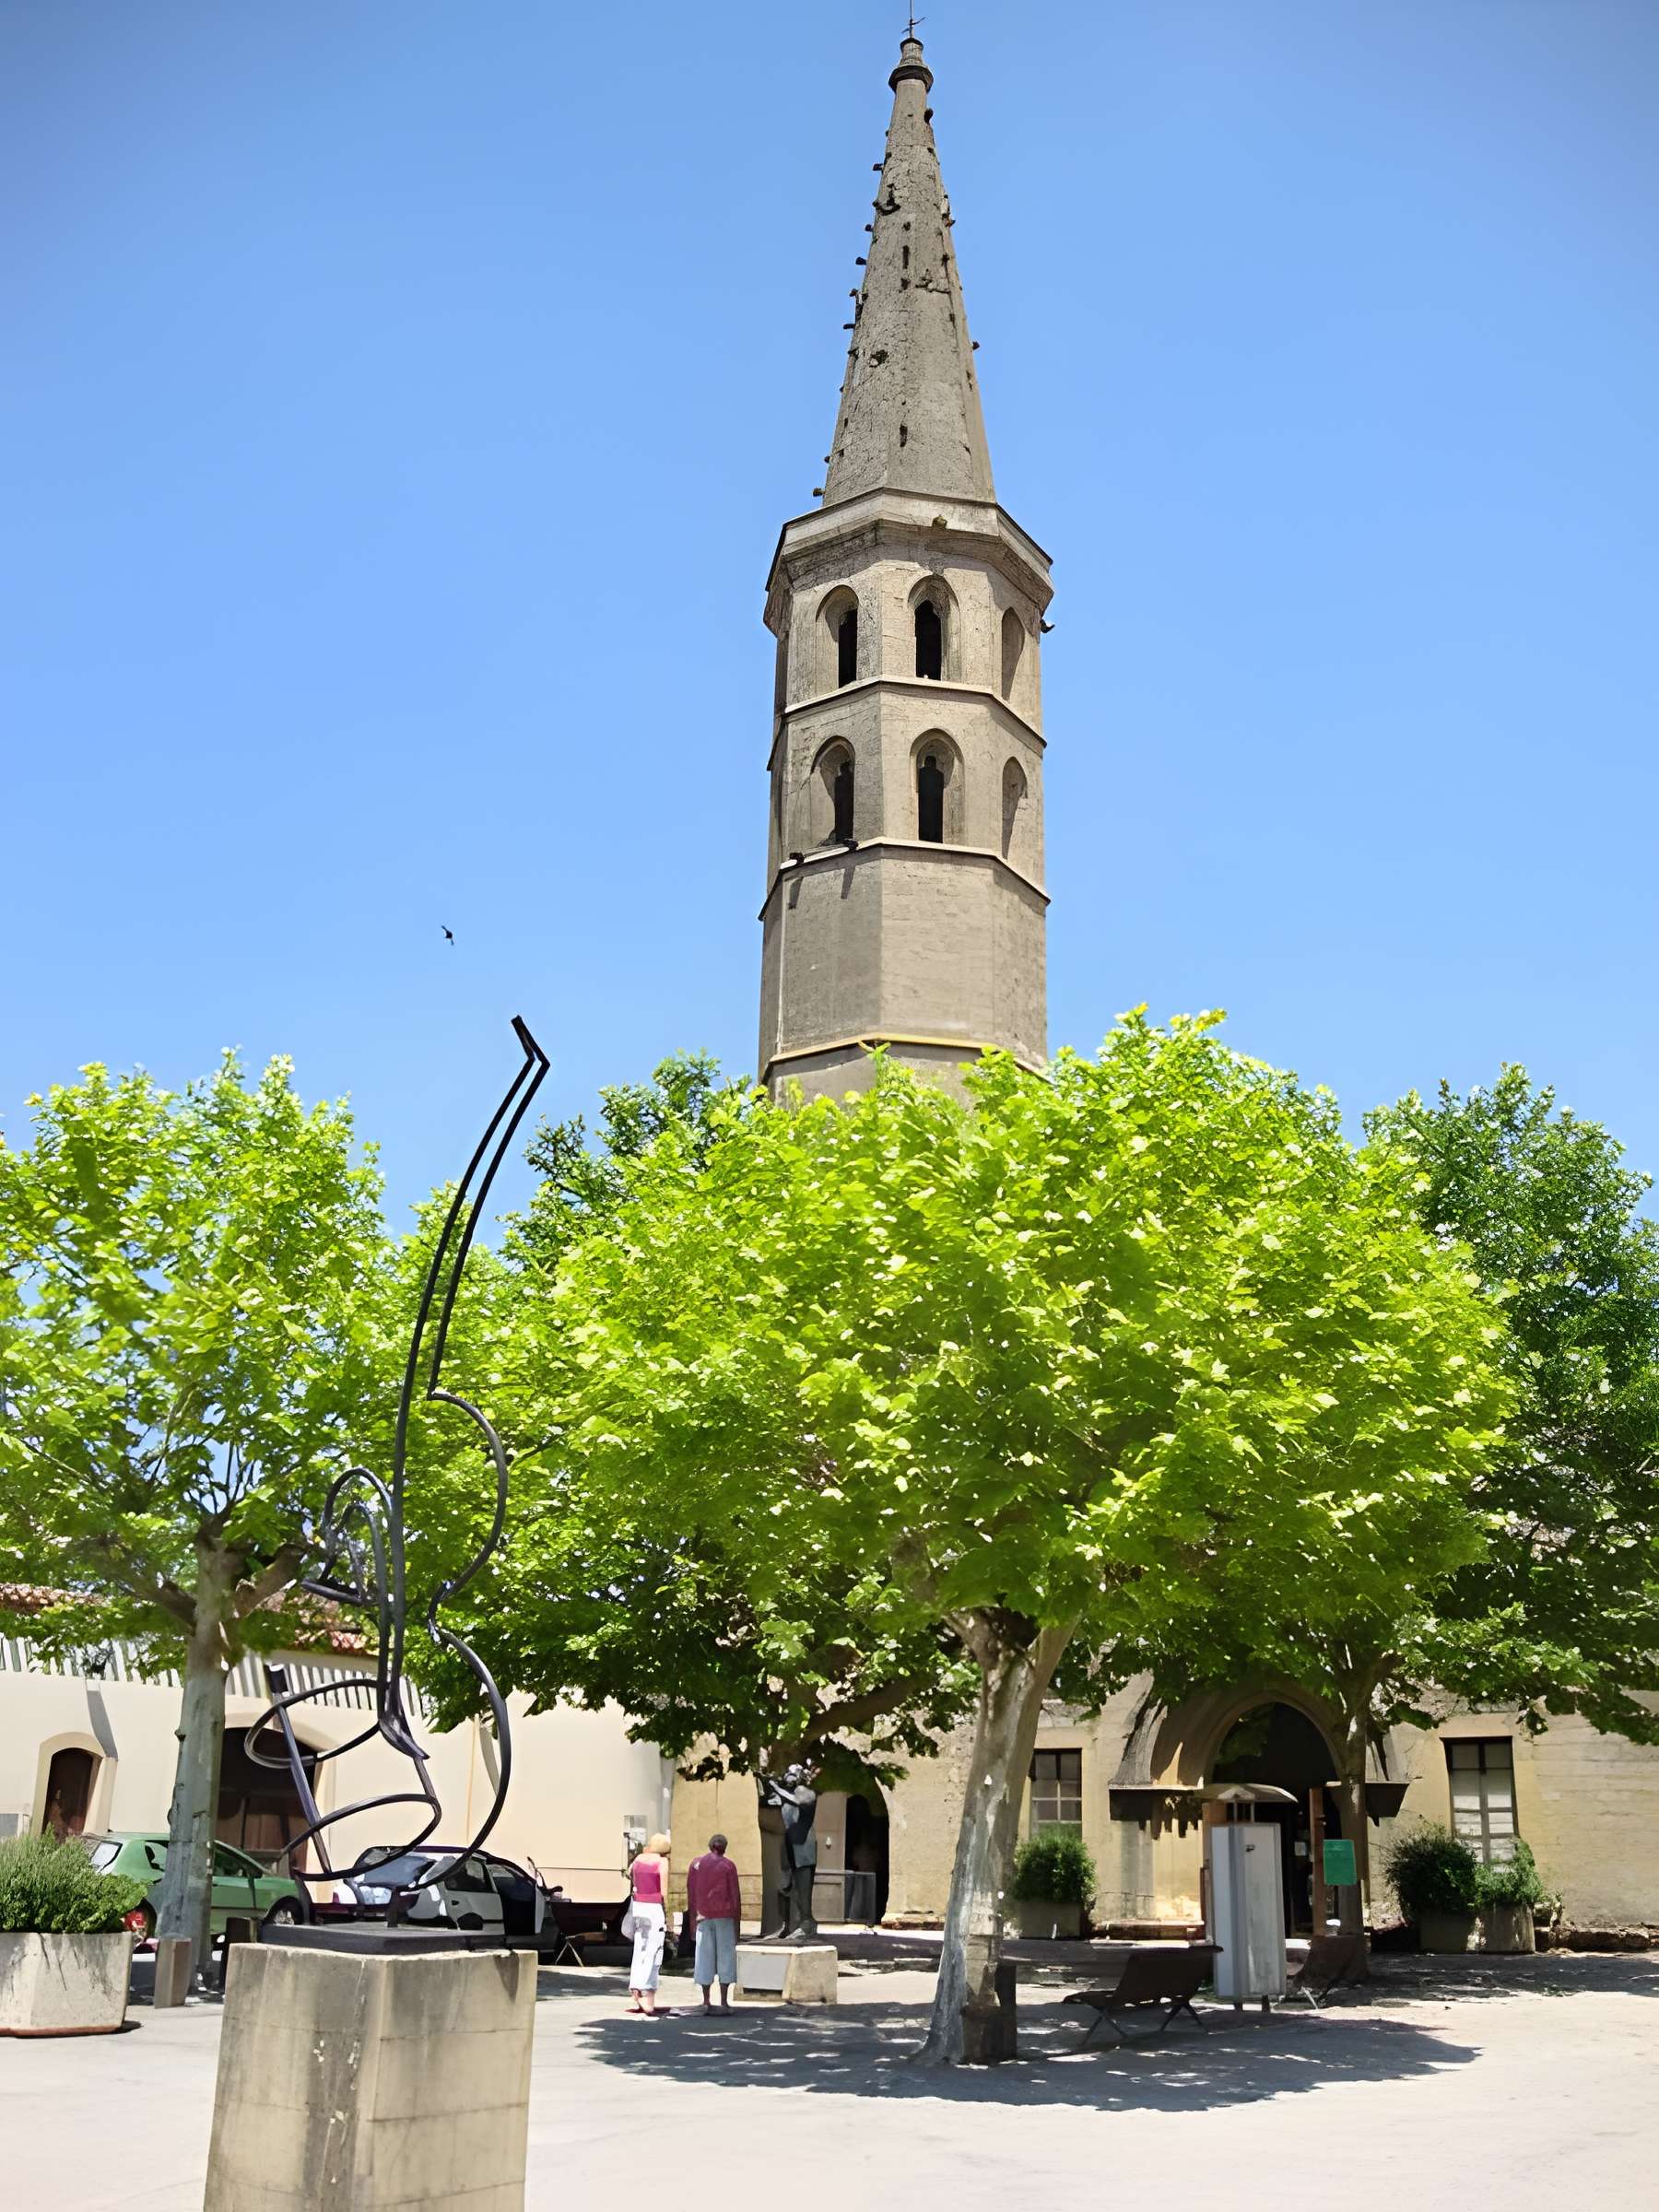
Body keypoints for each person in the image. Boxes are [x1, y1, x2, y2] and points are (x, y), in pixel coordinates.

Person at [686, 1832, 743, 2014]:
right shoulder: (729, 1866)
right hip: (725, 1916)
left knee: (704, 1957)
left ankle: (706, 2000)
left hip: (702, 1916)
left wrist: (692, 1921)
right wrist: (737, 1925)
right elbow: (735, 1896)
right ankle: (724, 2001)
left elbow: (691, 1894)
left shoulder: (696, 1864)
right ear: (724, 1849)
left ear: (710, 1846)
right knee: (726, 1957)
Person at [626, 1831, 672, 2017]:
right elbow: (664, 1892)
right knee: (654, 1951)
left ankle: (636, 1989)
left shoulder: (638, 1859)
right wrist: (667, 1916)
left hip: (638, 1908)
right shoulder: (662, 1862)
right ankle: (647, 1994)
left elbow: (629, 1874)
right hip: (653, 1909)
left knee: (640, 1949)